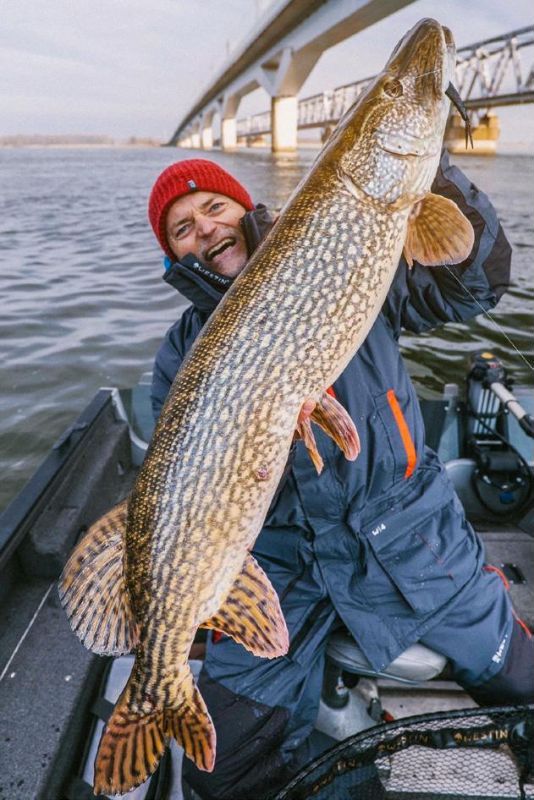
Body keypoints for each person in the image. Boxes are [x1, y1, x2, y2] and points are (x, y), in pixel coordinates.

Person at [147, 157, 532, 800]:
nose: (205, 230)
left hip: (411, 537)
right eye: (182, 227)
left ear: (245, 210)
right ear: (173, 255)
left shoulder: (352, 264)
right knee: (220, 770)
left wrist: (431, 172)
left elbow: (478, 284)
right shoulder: (181, 352)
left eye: (214, 208)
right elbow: (192, 479)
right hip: (280, 569)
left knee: (522, 685)